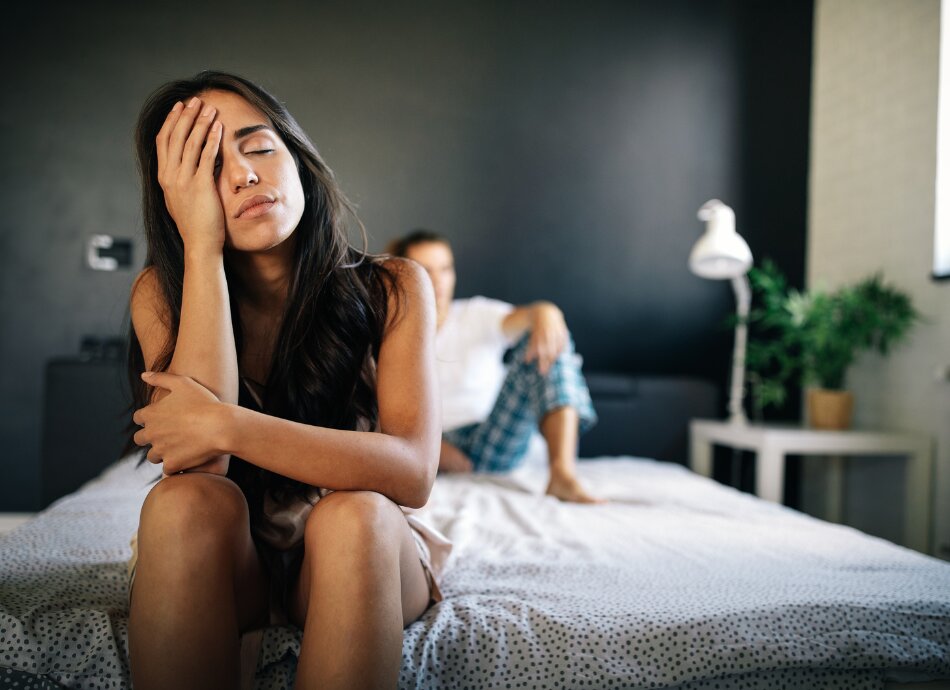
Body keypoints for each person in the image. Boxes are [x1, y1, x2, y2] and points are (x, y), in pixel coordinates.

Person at [124, 71, 449, 690]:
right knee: (183, 502)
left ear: (298, 157)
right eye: (208, 166)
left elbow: (412, 472)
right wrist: (201, 247)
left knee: (357, 517)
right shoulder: (160, 294)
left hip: (359, 551)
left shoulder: (393, 286)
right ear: (174, 194)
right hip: (233, 559)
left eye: (260, 146)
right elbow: (203, 466)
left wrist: (227, 422)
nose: (245, 174)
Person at [388, 230, 603, 504]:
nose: (439, 281)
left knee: (546, 338)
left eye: (446, 269)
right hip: (431, 446)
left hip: (493, 437)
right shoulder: (391, 336)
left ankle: (562, 473)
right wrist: (437, 450)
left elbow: (529, 318)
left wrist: (546, 312)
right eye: (426, 270)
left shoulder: (475, 314)